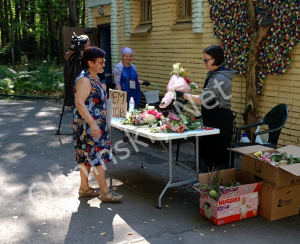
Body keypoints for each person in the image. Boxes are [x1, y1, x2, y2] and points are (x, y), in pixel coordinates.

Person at [73, 46, 123, 202]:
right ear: (90, 62)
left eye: (104, 61)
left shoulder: (93, 77)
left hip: (92, 124)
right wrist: (93, 124)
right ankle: (105, 192)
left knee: (86, 156)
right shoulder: (85, 80)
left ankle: (84, 188)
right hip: (90, 125)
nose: (103, 65)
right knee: (97, 157)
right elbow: (79, 103)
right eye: (101, 62)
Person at [175, 45, 235, 172]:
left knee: (216, 156)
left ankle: (217, 186)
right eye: (203, 60)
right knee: (206, 153)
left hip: (220, 121)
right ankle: (206, 183)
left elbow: (204, 99)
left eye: (206, 60)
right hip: (211, 118)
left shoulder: (220, 77)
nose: (204, 63)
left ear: (216, 59)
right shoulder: (214, 74)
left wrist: (183, 96)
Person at [113, 47, 150, 142]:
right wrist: (121, 95)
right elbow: (117, 83)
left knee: (132, 112)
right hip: (125, 92)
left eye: (130, 56)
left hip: (134, 92)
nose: (129, 58)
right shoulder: (118, 67)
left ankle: (131, 131)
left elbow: (134, 80)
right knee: (126, 113)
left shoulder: (133, 67)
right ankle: (127, 133)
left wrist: (143, 82)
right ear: (123, 56)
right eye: (127, 56)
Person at [64, 35, 106, 106]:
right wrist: (71, 51)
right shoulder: (75, 51)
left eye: (85, 41)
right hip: (85, 76)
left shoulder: (92, 51)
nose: (84, 43)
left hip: (96, 76)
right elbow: (66, 57)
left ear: (89, 42)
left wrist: (84, 51)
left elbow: (87, 59)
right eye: (82, 41)